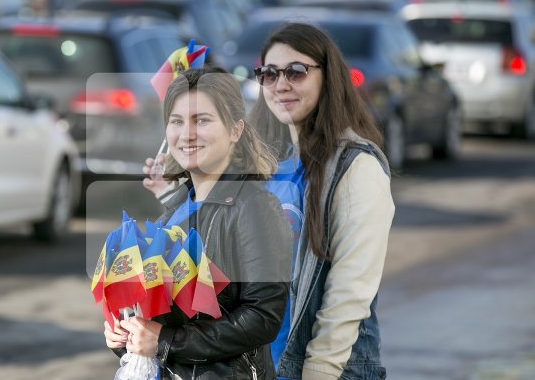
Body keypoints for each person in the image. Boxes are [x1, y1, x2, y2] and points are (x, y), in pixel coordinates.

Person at [104, 67, 293, 379]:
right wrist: (127, 332)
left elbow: (262, 318)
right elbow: (163, 310)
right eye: (177, 121)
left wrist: (164, 341)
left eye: (201, 120)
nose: (186, 134)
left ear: (235, 130)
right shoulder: (176, 207)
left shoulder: (256, 207)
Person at [249, 23, 395, 380]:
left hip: (330, 369)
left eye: (296, 72)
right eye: (269, 73)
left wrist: (320, 371)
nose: (281, 84)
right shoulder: (274, 164)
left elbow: (350, 291)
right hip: (267, 365)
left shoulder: (356, 167)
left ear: (327, 77)